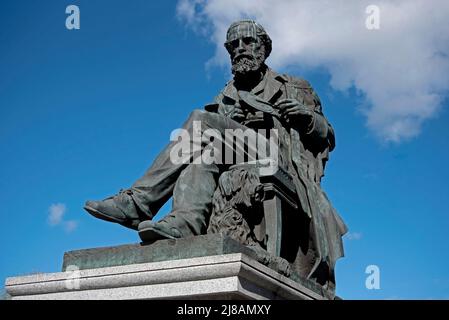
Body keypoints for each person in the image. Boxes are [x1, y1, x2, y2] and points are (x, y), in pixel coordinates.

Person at [85, 21, 347, 282]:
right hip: (234, 155)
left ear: (264, 48)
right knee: (202, 156)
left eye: (248, 42)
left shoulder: (293, 85)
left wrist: (306, 117)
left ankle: (139, 202)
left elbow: (328, 136)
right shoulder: (227, 93)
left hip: (277, 158)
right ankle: (185, 222)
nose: (240, 49)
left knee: (200, 120)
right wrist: (227, 118)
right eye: (233, 45)